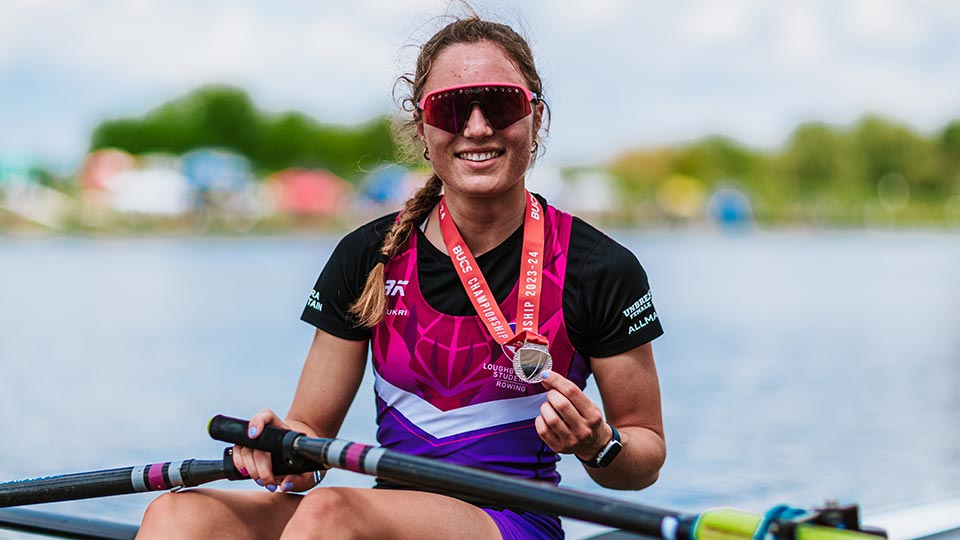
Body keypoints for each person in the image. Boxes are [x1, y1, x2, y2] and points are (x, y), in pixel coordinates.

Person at [137, 13, 665, 540]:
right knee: (178, 515)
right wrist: (281, 448)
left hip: (509, 520)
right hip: (379, 515)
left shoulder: (599, 269)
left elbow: (645, 456)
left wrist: (599, 444)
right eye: (452, 108)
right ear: (422, 128)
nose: (477, 127)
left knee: (330, 514)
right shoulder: (366, 255)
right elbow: (312, 433)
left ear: (536, 118)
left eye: (501, 105)